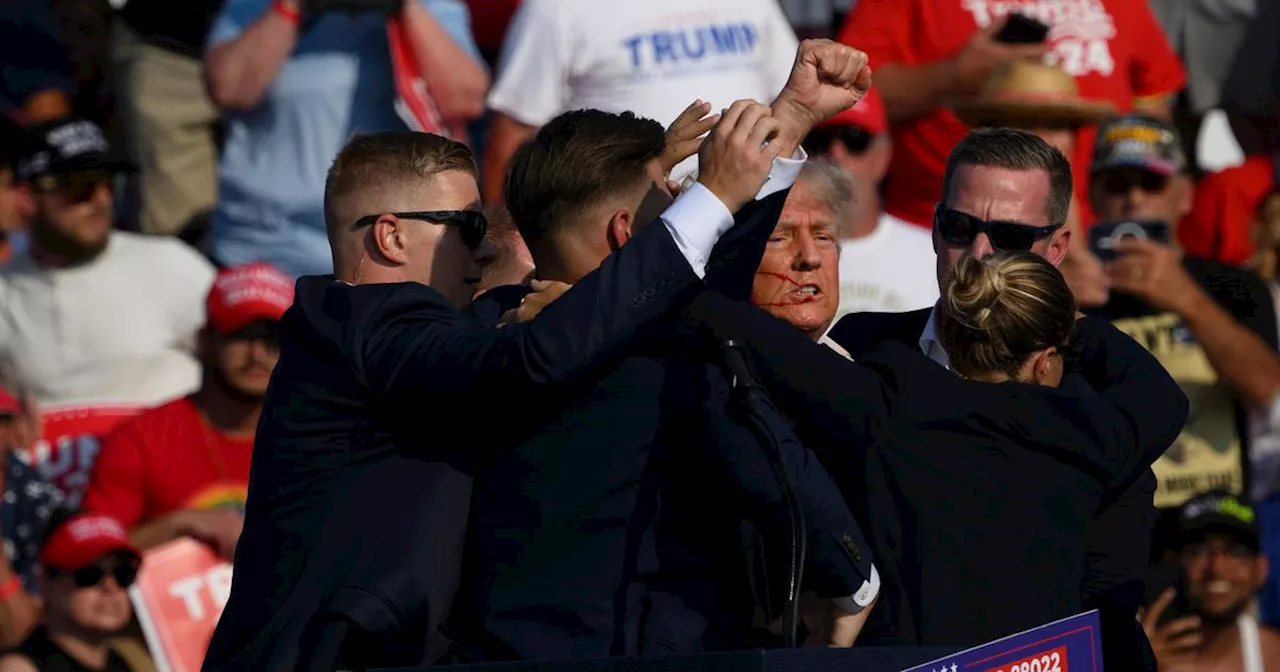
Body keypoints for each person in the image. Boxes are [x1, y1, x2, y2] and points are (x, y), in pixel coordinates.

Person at [203, 37, 872, 672]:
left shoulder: (485, 323)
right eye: (466, 227)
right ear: (389, 236)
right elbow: (546, 349)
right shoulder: (363, 323)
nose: (487, 246)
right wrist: (712, 194)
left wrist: (785, 121)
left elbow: (668, 295)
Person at [454, 101, 876, 660]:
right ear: (628, 235)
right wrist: (854, 580)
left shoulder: (476, 336)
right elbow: (769, 463)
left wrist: (787, 119)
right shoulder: (664, 359)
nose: (682, 207)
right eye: (669, 202)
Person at [684, 248, 1185, 650]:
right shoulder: (1090, 432)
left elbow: (730, 323)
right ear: (1046, 359)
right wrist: (1069, 321)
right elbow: (1161, 395)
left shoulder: (889, 404)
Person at [823, 127, 1184, 668]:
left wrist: (1062, 322)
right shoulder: (864, 346)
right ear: (934, 226)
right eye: (959, 226)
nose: (979, 253)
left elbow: (1107, 590)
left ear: (1057, 248)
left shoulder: (1101, 386)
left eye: (1011, 237)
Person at [2, 117, 216, 505]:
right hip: (58, 502)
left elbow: (253, 362)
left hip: (177, 490)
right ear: (26, 199)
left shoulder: (169, 264)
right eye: (78, 188)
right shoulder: (4, 290)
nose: (99, 199)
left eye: (107, 183)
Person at [203, 0, 489, 277]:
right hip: (265, 246)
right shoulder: (256, 5)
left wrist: (405, 7)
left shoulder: (432, 5)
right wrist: (291, 6)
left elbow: (465, 99)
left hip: (380, 250)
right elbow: (229, 89)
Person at [1085, 115, 1280, 512]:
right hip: (1112, 518)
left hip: (1216, 522)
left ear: (1187, 194)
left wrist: (1188, 302)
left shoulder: (1234, 286)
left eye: (1152, 183)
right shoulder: (1075, 295)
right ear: (1093, 195)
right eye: (1118, 184)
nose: (1135, 199)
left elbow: (1269, 391)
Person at [480, 0, 800, 201]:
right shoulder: (556, 8)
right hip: (624, 233)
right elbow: (511, 141)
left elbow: (791, 101)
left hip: (755, 213)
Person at [82, 262, 294, 561]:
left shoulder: (319, 440)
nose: (257, 353)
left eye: (272, 339)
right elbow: (89, 559)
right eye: (240, 334)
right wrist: (177, 525)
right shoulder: (141, 440)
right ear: (204, 340)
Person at [798, 89, 938, 318]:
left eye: (855, 139)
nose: (836, 154)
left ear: (884, 153)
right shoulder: (783, 257)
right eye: (819, 140)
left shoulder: (931, 256)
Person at [1143, 492, 1280, 671]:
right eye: (1199, 550)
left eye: (1235, 551)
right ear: (1173, 563)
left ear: (1260, 569)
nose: (1217, 568)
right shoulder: (1135, 654)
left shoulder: (1272, 656)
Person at [0, 513, 147, 672]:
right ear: (46, 582)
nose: (110, 587)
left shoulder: (125, 663)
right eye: (90, 573)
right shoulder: (20, 668)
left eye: (123, 574)